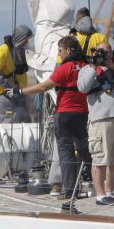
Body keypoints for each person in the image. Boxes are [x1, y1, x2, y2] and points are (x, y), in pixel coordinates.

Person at [14, 36, 90, 201]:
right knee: (82, 151)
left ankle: (70, 190)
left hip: (64, 114)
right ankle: (82, 185)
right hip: (83, 114)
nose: (59, 54)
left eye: (60, 50)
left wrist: (21, 91)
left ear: (69, 51)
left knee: (66, 152)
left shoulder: (66, 67)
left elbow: (44, 86)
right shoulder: (85, 66)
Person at [78, 41, 114, 205]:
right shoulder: (87, 69)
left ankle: (110, 191)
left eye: (108, 51)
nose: (105, 55)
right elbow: (82, 87)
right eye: (102, 52)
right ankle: (100, 194)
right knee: (100, 158)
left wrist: (112, 66)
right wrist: (93, 66)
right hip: (100, 119)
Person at [0, 24, 33, 123]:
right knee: (9, 128)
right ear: (20, 38)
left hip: (19, 95)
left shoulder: (20, 50)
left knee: (25, 125)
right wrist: (10, 86)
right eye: (26, 39)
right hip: (7, 96)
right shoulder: (3, 49)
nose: (27, 42)